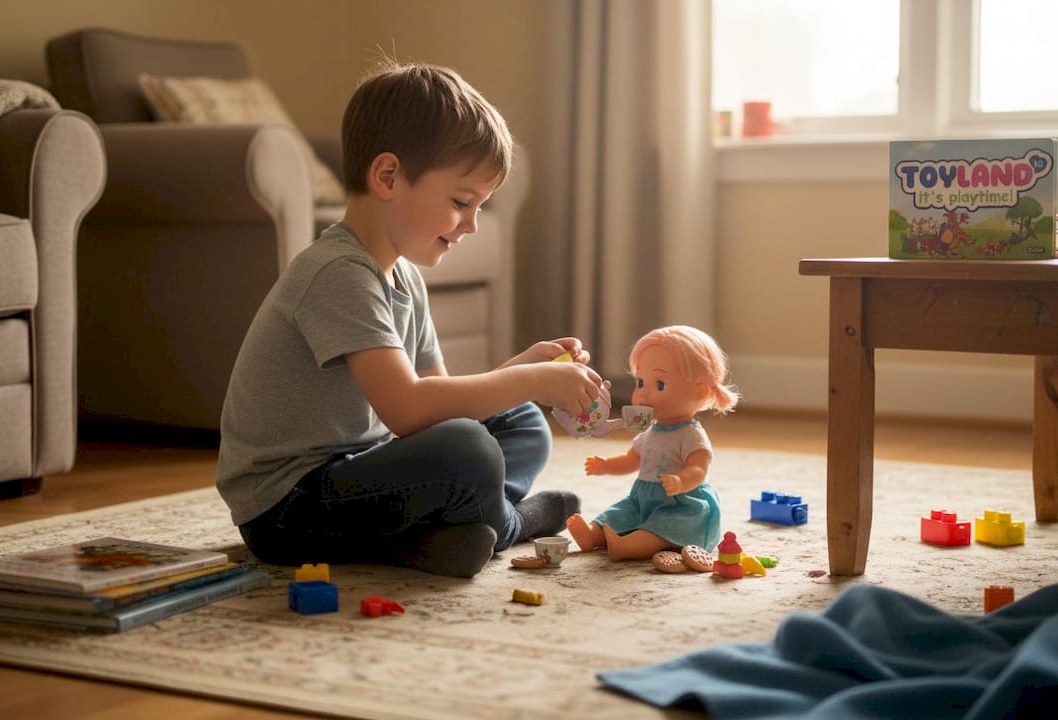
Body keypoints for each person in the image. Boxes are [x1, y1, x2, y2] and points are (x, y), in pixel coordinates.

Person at [215, 61, 602, 578]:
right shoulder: (337, 272)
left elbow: (438, 399)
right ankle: (509, 524)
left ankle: (433, 539)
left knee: (521, 421)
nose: (472, 225)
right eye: (462, 202)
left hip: (353, 480)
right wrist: (530, 378)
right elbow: (406, 411)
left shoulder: (402, 276)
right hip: (288, 511)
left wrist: (522, 374)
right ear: (389, 177)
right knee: (468, 449)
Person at [566, 326, 739, 560]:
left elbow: (699, 468)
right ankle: (593, 535)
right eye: (640, 382)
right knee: (620, 513)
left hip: (682, 504)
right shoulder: (650, 431)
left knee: (659, 529)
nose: (643, 394)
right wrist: (606, 465)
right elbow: (631, 459)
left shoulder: (690, 435)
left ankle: (628, 547)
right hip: (643, 499)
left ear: (699, 393)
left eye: (659, 384)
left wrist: (681, 481)